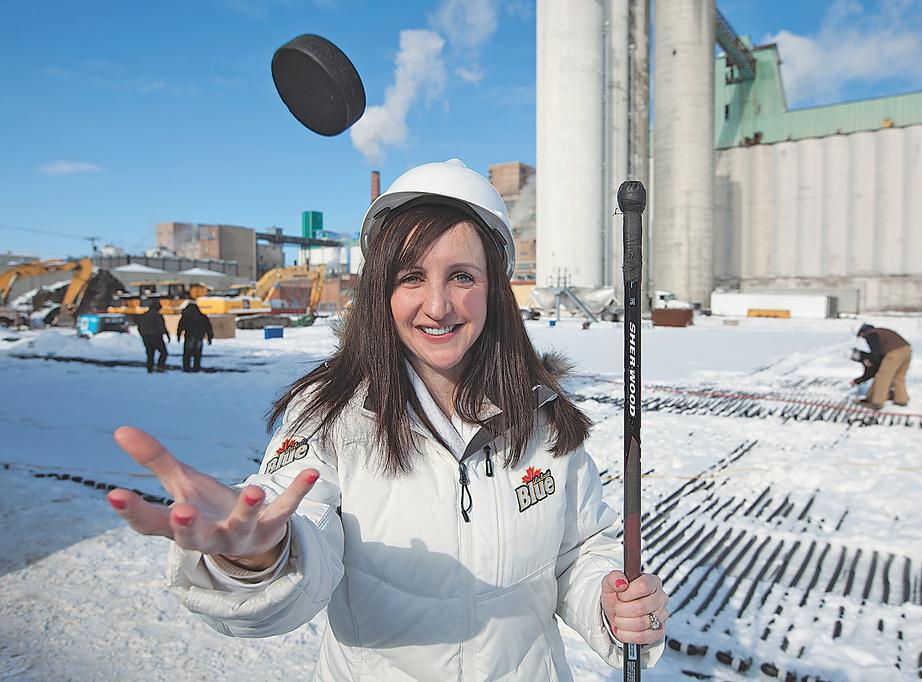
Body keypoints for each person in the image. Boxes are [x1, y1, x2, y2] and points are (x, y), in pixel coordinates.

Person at [106, 159, 668, 680]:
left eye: (463, 277)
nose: (438, 305)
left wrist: (609, 595)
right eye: (411, 278)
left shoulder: (541, 419)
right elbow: (301, 543)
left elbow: (578, 551)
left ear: (496, 289)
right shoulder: (330, 417)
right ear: (382, 291)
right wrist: (254, 556)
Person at [851, 323, 911, 409]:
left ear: (862, 332)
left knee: (882, 377)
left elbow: (876, 353)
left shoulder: (871, 334)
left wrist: (870, 360)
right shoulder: (880, 332)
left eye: (860, 335)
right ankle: (901, 400)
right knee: (898, 377)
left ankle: (877, 402)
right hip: (906, 350)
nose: (862, 338)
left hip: (894, 352)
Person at [176, 302, 214, 372]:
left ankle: (186, 368)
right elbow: (209, 328)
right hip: (199, 337)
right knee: (197, 354)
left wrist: (178, 335)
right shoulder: (203, 317)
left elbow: (180, 327)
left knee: (187, 354)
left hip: (189, 337)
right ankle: (196, 367)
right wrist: (209, 338)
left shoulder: (186, 317)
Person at [135, 301, 169, 373]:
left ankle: (150, 368)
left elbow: (139, 327)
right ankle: (160, 366)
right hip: (155, 336)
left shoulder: (143, 316)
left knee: (150, 353)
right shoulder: (157, 315)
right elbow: (161, 327)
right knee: (164, 352)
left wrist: (142, 334)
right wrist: (166, 334)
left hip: (146, 337)